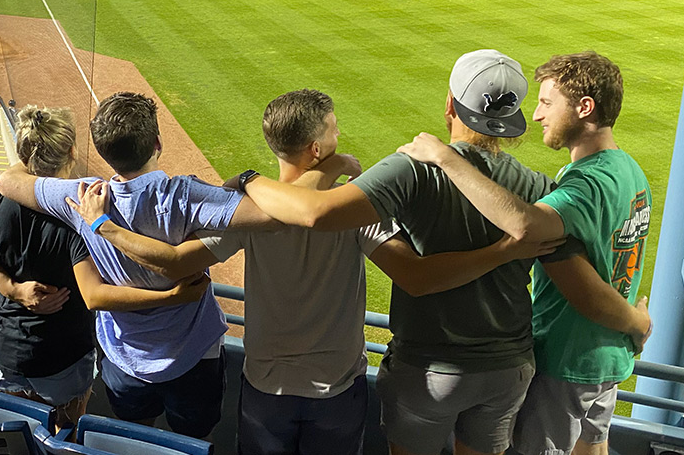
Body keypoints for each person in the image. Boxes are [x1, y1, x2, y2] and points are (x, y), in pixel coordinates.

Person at [73, 89, 559, 455]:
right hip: (337, 389)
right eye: (332, 130)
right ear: (314, 147)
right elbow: (416, 275)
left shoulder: (242, 211)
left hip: (265, 389)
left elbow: (177, 262)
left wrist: (103, 225)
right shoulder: (356, 211)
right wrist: (503, 249)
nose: (339, 134)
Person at [236, 51, 648, 455]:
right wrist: (632, 321)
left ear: (450, 104)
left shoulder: (411, 167)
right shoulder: (540, 189)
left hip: (428, 371)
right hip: (508, 370)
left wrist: (249, 178)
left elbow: (314, 212)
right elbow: (576, 277)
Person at [398, 52, 652, 455]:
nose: (536, 115)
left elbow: (529, 227)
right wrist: (632, 325)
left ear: (585, 107)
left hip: (567, 360)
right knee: (595, 447)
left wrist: (448, 159)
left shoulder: (586, 184)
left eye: (548, 103)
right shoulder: (630, 172)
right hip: (610, 359)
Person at [0, 92, 276, 438]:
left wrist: (34, 139)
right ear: (156, 143)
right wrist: (243, 180)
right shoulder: (185, 195)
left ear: (102, 151)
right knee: (191, 442)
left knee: (134, 439)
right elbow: (267, 214)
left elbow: (6, 181)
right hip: (192, 359)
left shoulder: (81, 197)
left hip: (122, 359)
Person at [0, 106, 208, 428]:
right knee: (63, 437)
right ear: (71, 151)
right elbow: (96, 295)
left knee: (18, 434)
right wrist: (172, 296)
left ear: (23, 153)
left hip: (5, 348)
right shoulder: (79, 212)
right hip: (63, 355)